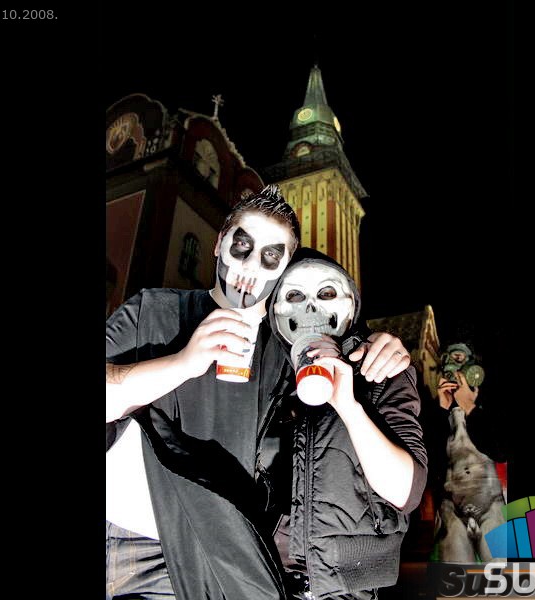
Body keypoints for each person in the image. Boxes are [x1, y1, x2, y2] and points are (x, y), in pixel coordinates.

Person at [106, 186, 411, 599]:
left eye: (270, 256)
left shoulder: (287, 351)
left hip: (219, 556)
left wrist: (379, 346)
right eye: (242, 245)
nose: (251, 266)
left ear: (283, 269)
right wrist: (182, 362)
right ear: (219, 244)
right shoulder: (156, 310)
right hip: (129, 538)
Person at [263, 248, 428, 599]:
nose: (312, 309)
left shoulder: (379, 369)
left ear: (351, 304)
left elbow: (406, 491)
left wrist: (349, 406)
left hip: (347, 586)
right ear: (274, 310)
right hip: (257, 579)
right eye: (294, 296)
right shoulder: (259, 373)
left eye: (326, 293)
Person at [427, 342, 507, 563]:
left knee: (501, 573)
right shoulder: (436, 410)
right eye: (450, 360)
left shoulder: (489, 405)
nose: (454, 368)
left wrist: (470, 408)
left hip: (490, 502)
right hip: (451, 507)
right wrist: (441, 410)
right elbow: (430, 463)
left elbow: (501, 450)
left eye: (460, 359)